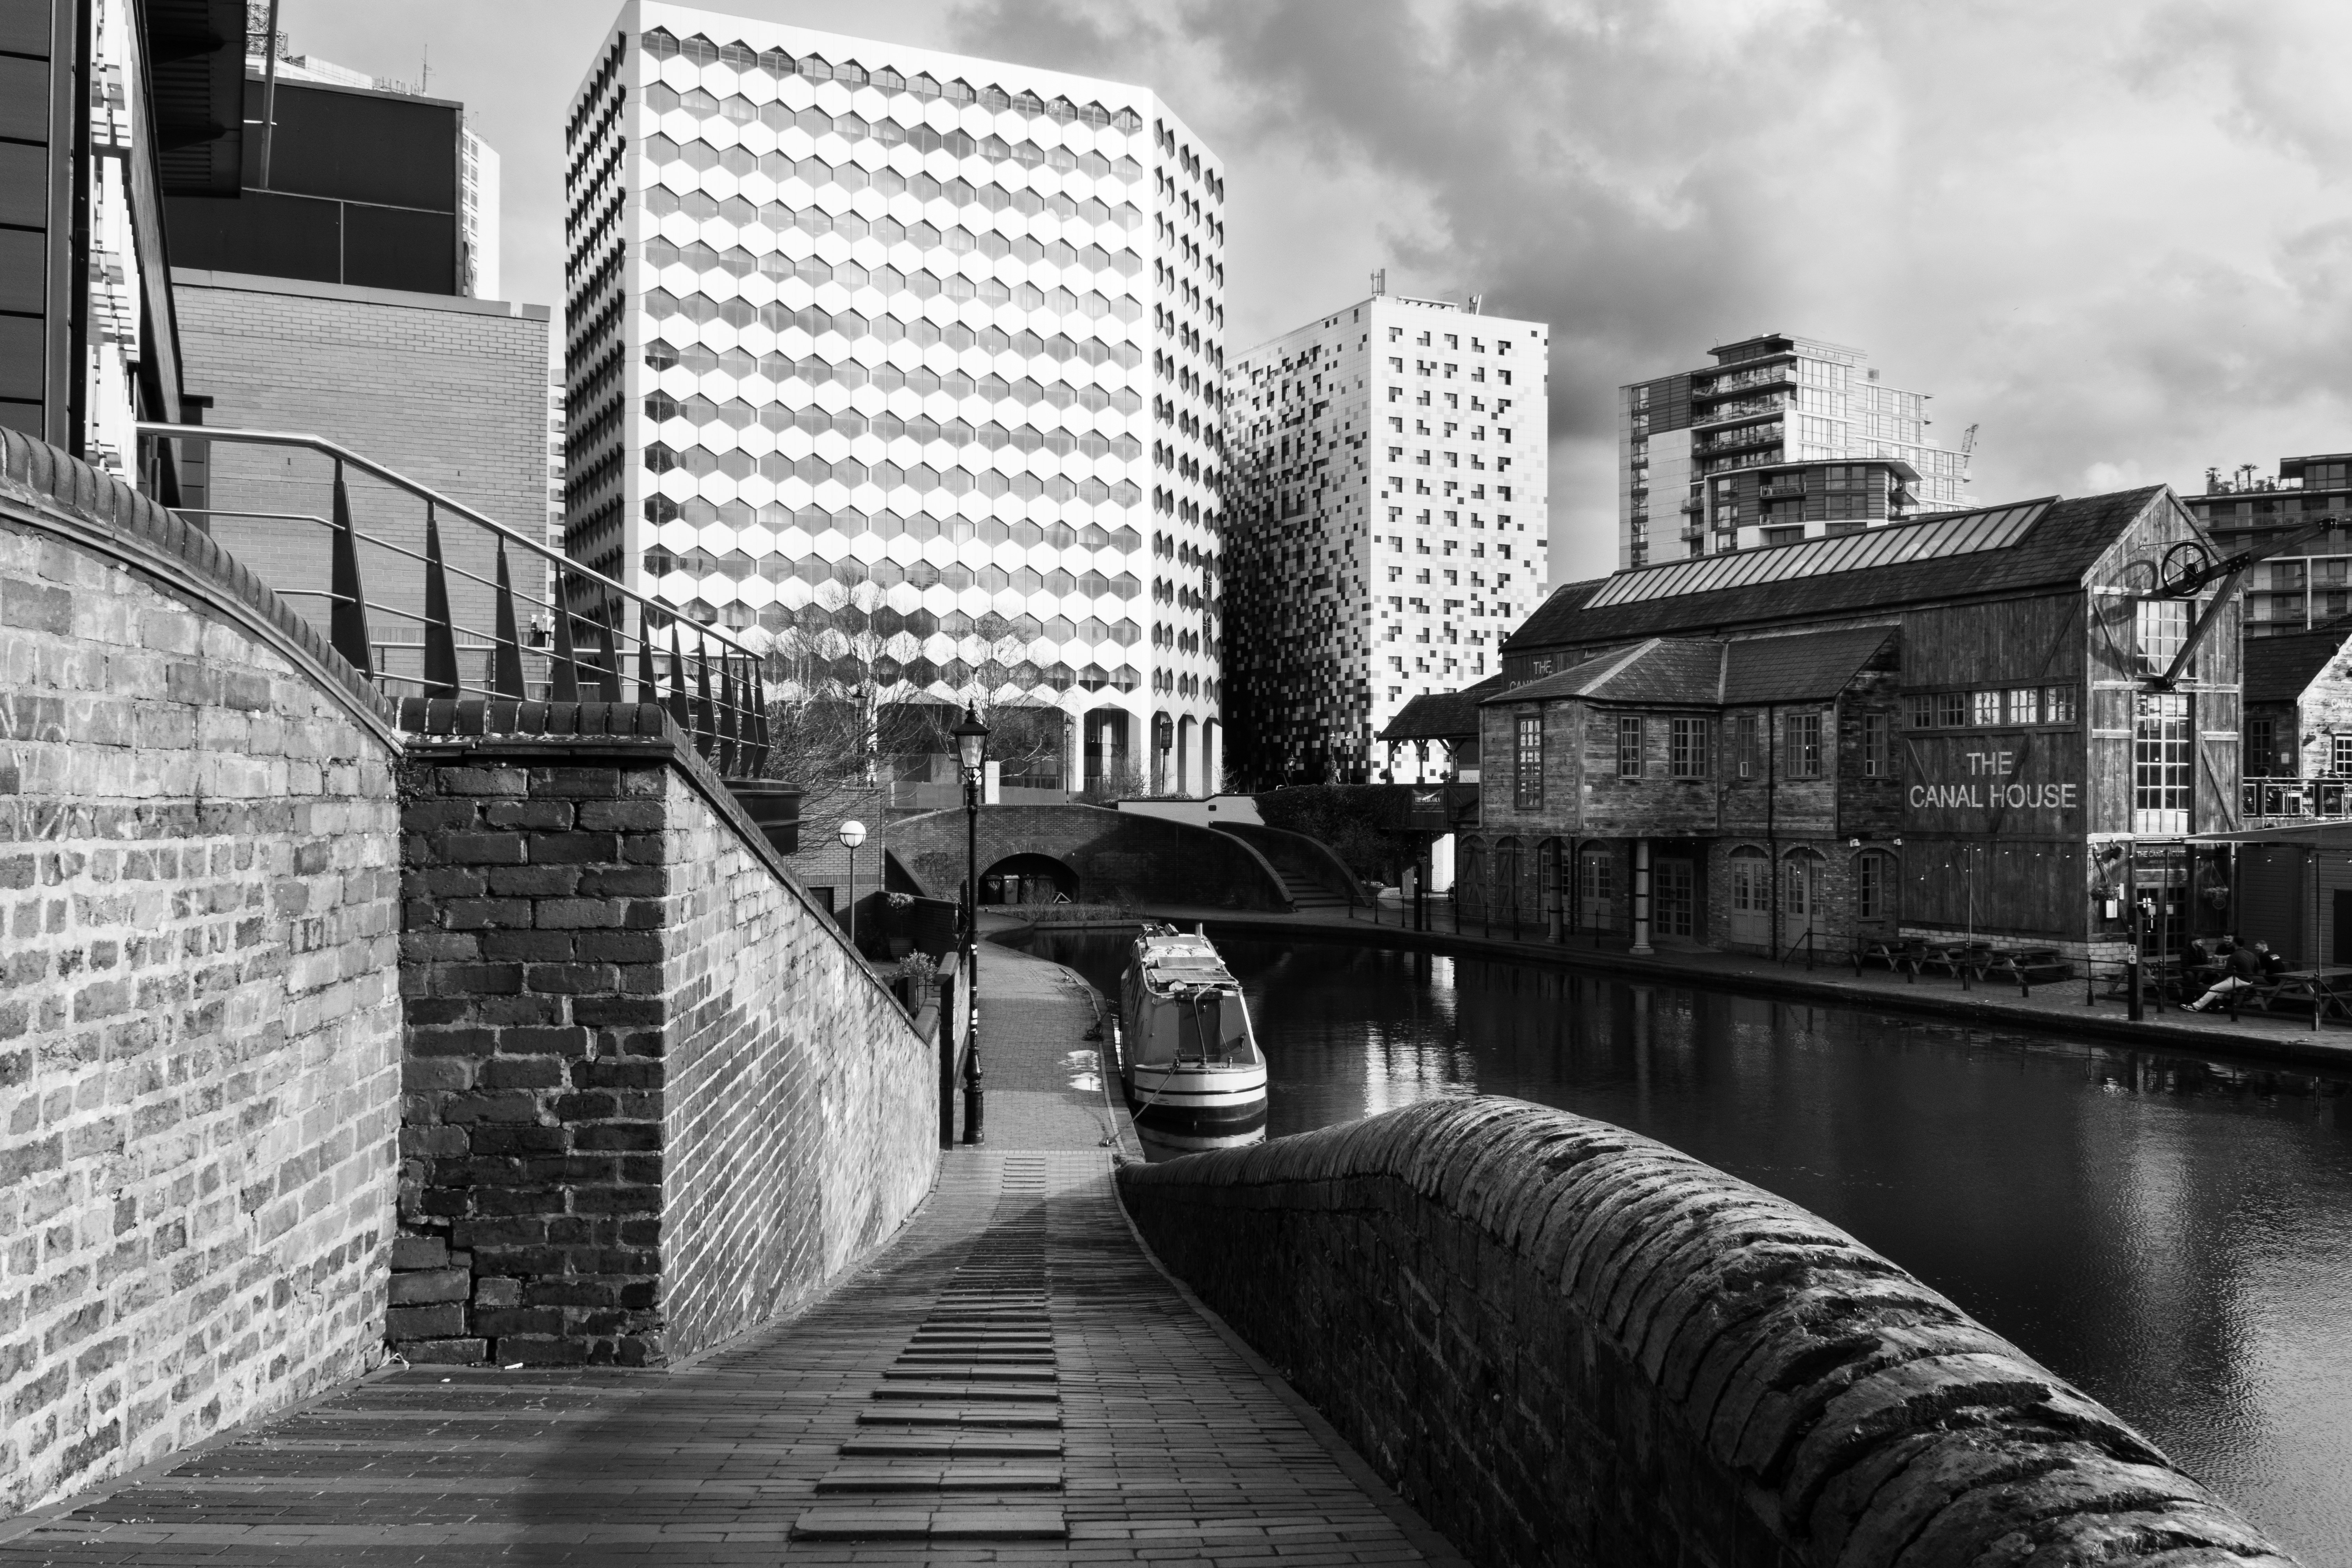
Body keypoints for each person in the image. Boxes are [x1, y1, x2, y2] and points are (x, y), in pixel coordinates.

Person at [2187, 938, 2267, 1011]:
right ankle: (2218, 1004)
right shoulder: (2251, 955)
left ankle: (2196, 1006)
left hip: (2240, 979)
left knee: (2214, 988)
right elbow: (2257, 967)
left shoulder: (2234, 956)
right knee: (2222, 987)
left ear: (2235, 944)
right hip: (2249, 979)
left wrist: (2219, 981)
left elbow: (2227, 972)